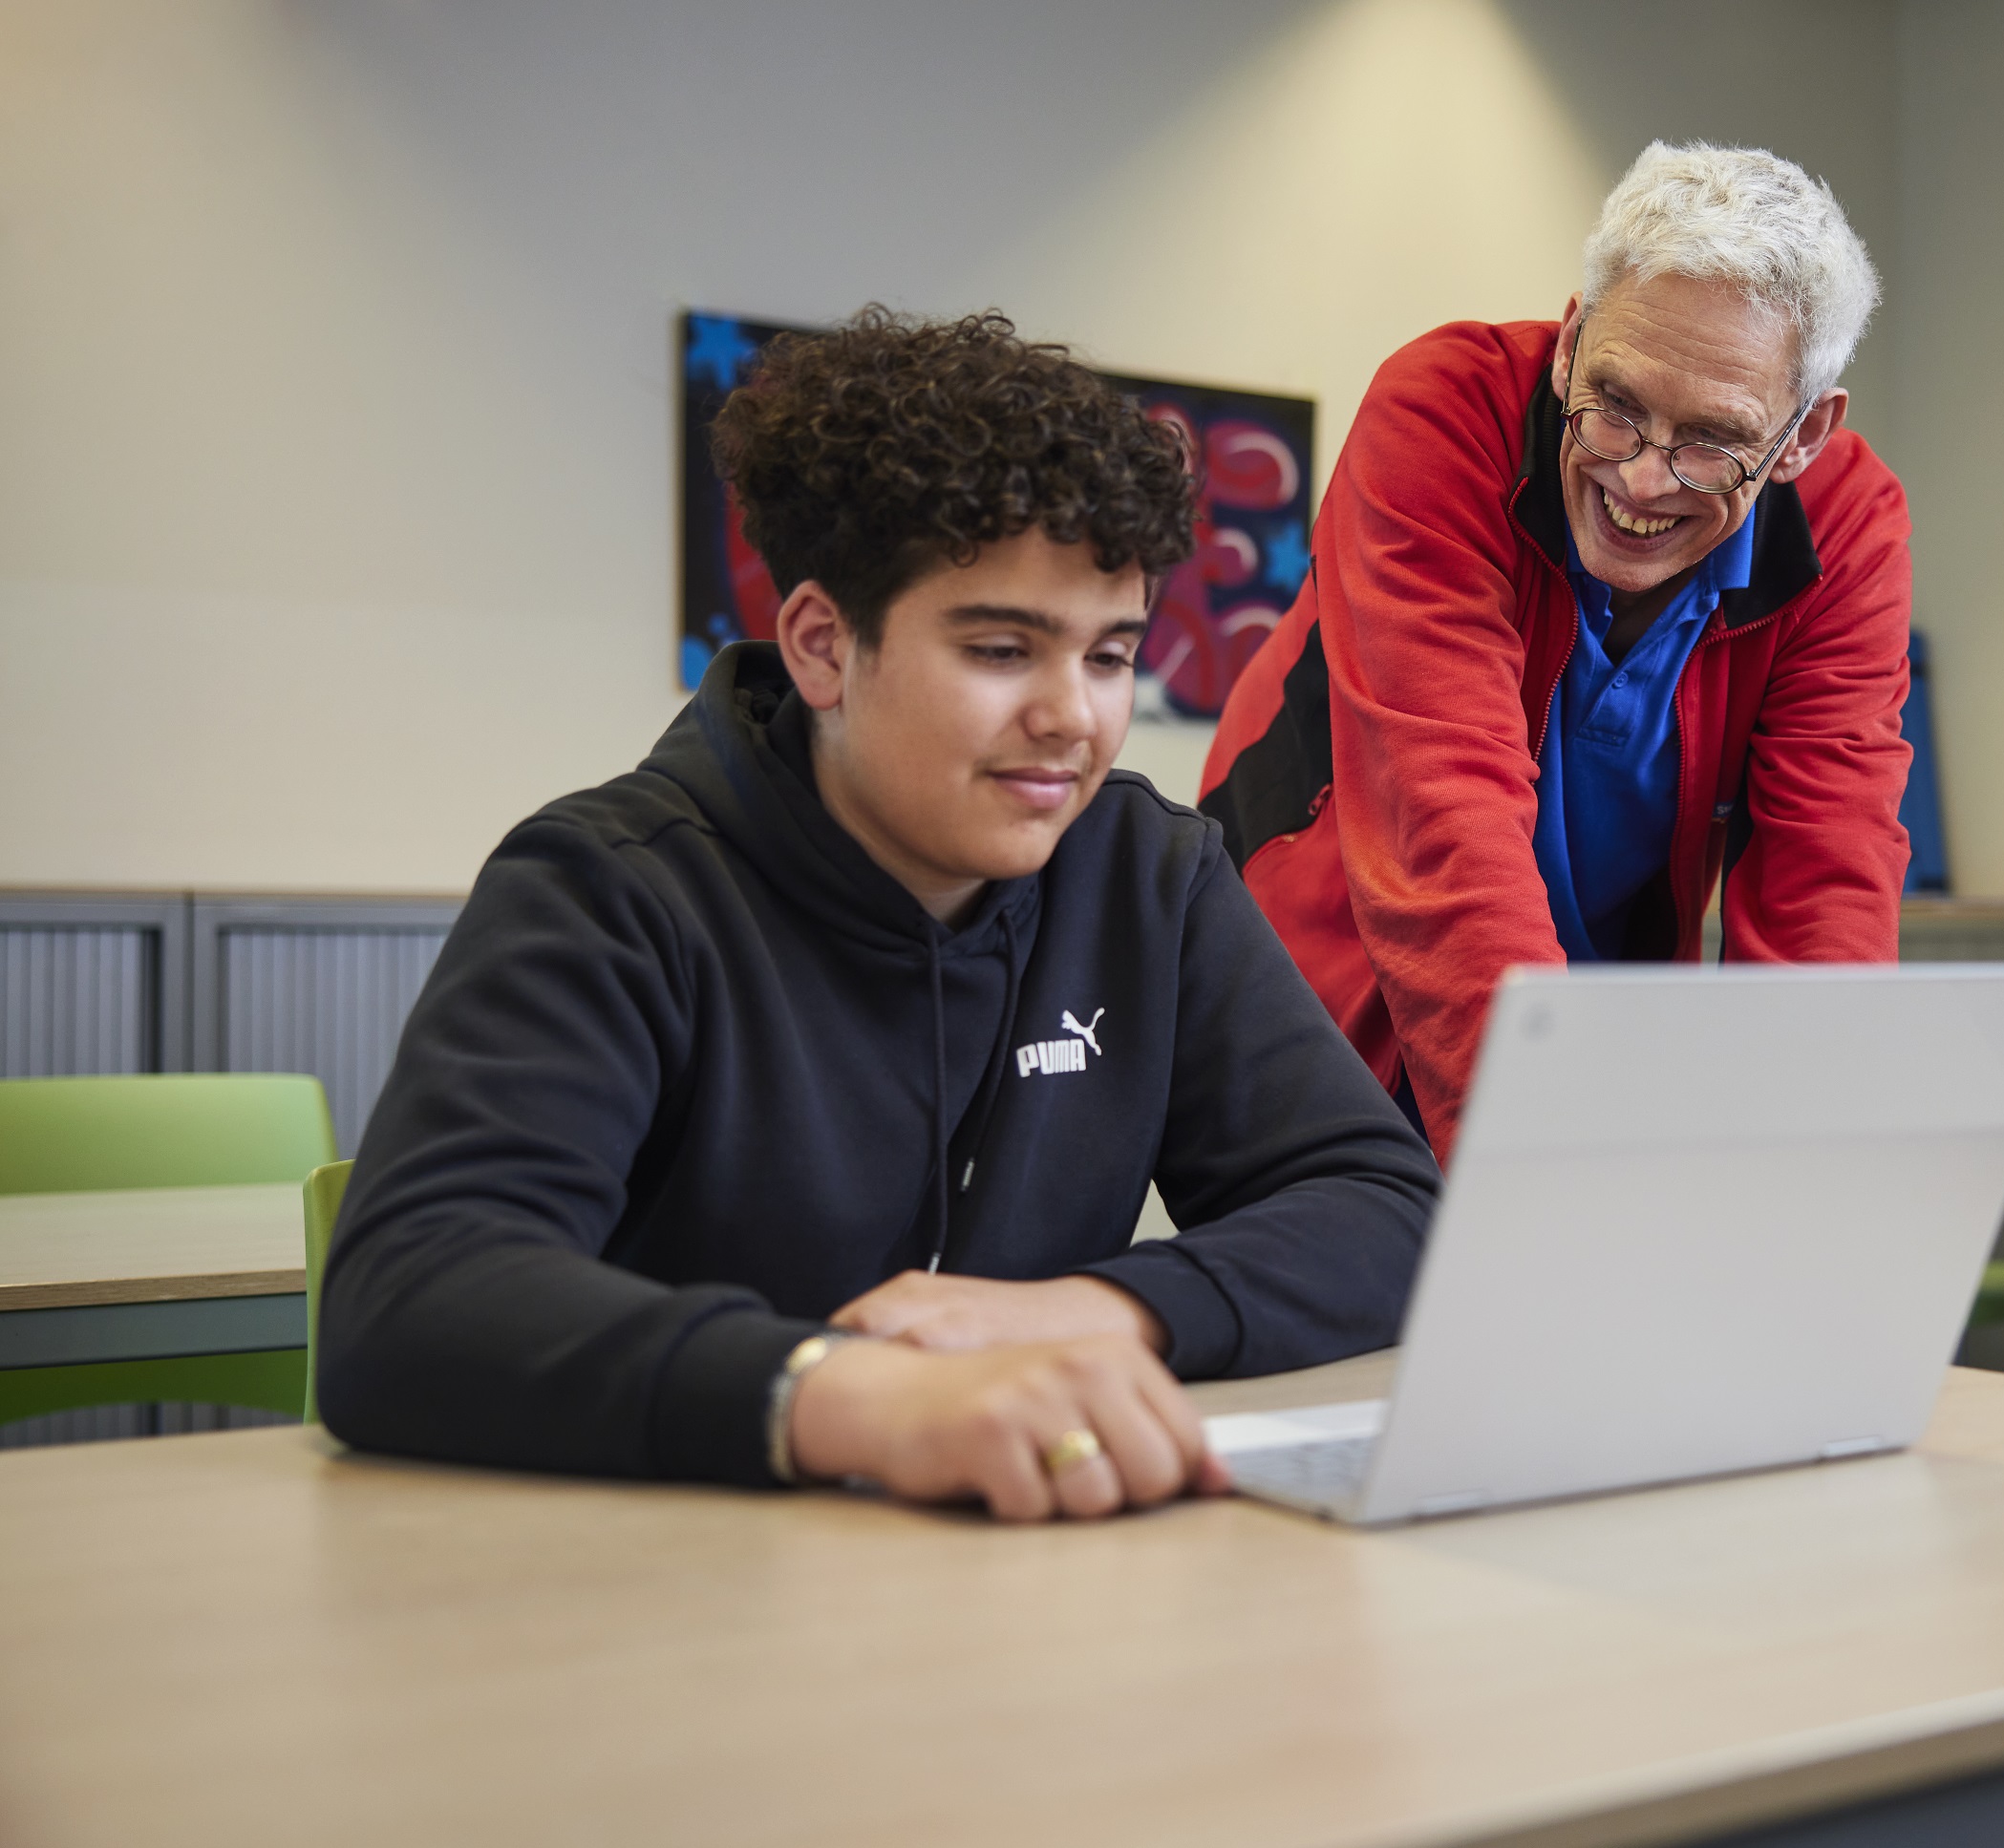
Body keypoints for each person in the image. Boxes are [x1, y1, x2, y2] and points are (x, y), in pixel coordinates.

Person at [319, 309, 1439, 1522]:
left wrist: (1084, 1311)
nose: (1073, 717)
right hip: (657, 1581)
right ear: (820, 647)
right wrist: (858, 1395)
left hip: (1014, 1571)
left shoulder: (1147, 876)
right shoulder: (610, 889)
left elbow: (1384, 1211)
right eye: (1005, 648)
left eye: (1111, 657)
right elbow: (410, 1296)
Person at [1200, 142, 1912, 1159]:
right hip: (1316, 977)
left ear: (1803, 437)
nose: (1643, 480)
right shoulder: (1444, 415)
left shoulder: (1848, 526)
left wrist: (1809, 1164)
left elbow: (1828, 873)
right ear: (1570, 344)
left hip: (1581, 1016)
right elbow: (1445, 811)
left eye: (1711, 440)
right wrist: (1543, 1169)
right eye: (1616, 405)